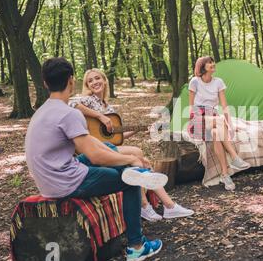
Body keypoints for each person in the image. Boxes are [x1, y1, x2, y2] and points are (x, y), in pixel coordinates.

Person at [25, 57, 165, 261]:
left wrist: (129, 158)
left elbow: (94, 145)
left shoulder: (42, 111)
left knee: (109, 147)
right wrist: (130, 160)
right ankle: (137, 247)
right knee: (130, 181)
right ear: (71, 80)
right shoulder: (69, 114)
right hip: (65, 182)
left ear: (45, 83)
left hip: (51, 179)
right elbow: (95, 157)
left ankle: (138, 171)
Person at [70, 68, 194, 221]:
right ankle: (155, 205)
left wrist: (139, 130)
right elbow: (72, 104)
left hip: (107, 147)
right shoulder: (88, 100)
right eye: (90, 81)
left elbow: (117, 138)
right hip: (92, 152)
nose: (95, 82)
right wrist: (100, 117)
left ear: (104, 80)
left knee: (138, 157)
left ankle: (157, 206)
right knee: (136, 154)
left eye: (97, 78)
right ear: (87, 86)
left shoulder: (108, 108)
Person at [188, 56, 251, 191]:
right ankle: (234, 157)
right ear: (202, 66)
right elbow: (191, 106)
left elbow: (224, 106)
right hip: (198, 118)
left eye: (212, 61)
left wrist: (231, 126)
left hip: (214, 118)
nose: (213, 64)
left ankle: (224, 174)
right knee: (220, 121)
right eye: (209, 63)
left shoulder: (218, 82)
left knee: (217, 134)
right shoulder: (195, 82)